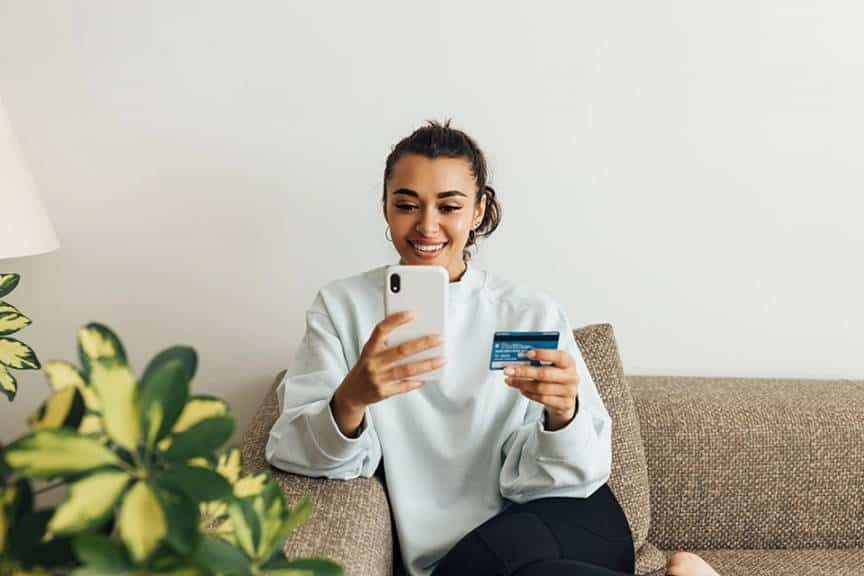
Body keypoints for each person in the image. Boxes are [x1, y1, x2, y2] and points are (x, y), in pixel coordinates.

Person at [266, 121, 720, 576]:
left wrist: (563, 416)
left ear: (480, 210)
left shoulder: (528, 311)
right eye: (407, 205)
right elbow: (291, 450)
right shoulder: (343, 307)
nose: (427, 226)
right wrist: (352, 399)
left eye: (449, 206)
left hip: (563, 514)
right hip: (476, 555)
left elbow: (580, 472)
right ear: (385, 207)